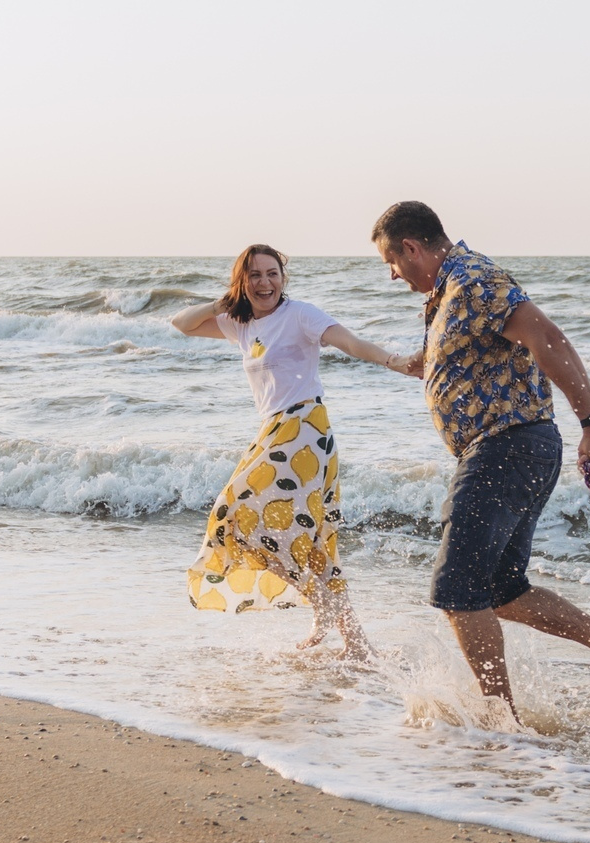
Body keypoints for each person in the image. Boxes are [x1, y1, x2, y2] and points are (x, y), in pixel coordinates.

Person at [371, 201, 590, 718]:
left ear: (411, 247)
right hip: (512, 447)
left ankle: (501, 722)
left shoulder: (474, 279)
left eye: (392, 262)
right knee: (501, 591)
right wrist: (407, 361)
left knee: (458, 591)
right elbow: (463, 358)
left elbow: (548, 338)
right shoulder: (448, 293)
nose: (393, 275)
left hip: (507, 444)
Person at [172, 243, 415, 657]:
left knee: (237, 515)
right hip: (272, 431)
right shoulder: (240, 324)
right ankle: (352, 638)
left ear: (283, 279)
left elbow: (349, 343)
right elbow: (182, 323)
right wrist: (223, 302)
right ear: (241, 282)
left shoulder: (300, 314)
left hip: (304, 428)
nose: (265, 282)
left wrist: (395, 361)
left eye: (272, 274)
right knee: (298, 538)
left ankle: (328, 609)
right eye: (254, 276)